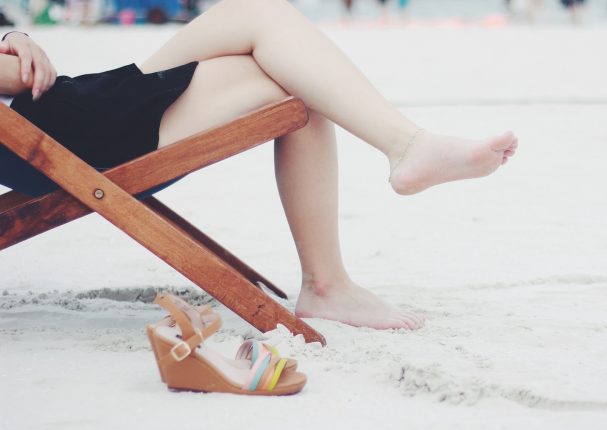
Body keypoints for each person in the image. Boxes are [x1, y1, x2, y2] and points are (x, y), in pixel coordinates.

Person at [0, 0, 518, 331]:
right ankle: (336, 270)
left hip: (64, 113)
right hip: (55, 136)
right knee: (284, 58)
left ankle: (342, 261)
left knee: (272, 35)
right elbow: (18, 81)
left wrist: (10, 40)